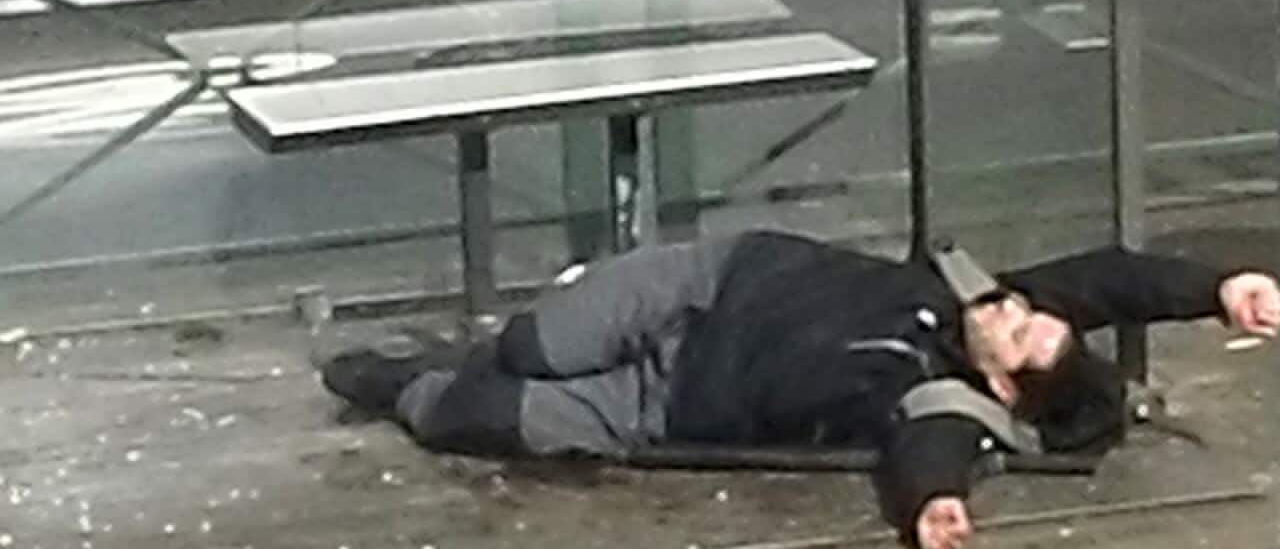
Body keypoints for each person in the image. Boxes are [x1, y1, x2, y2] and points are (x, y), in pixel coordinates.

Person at [319, 230, 1280, 549]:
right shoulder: (970, 296)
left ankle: (402, 383)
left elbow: (935, 448)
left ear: (1003, 385)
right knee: (533, 346)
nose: (1015, 307)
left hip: (669, 401)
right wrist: (1220, 288)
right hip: (712, 283)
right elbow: (1113, 278)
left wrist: (936, 505)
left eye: (1023, 333)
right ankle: (474, 351)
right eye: (1032, 311)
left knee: (482, 415)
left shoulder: (932, 396)